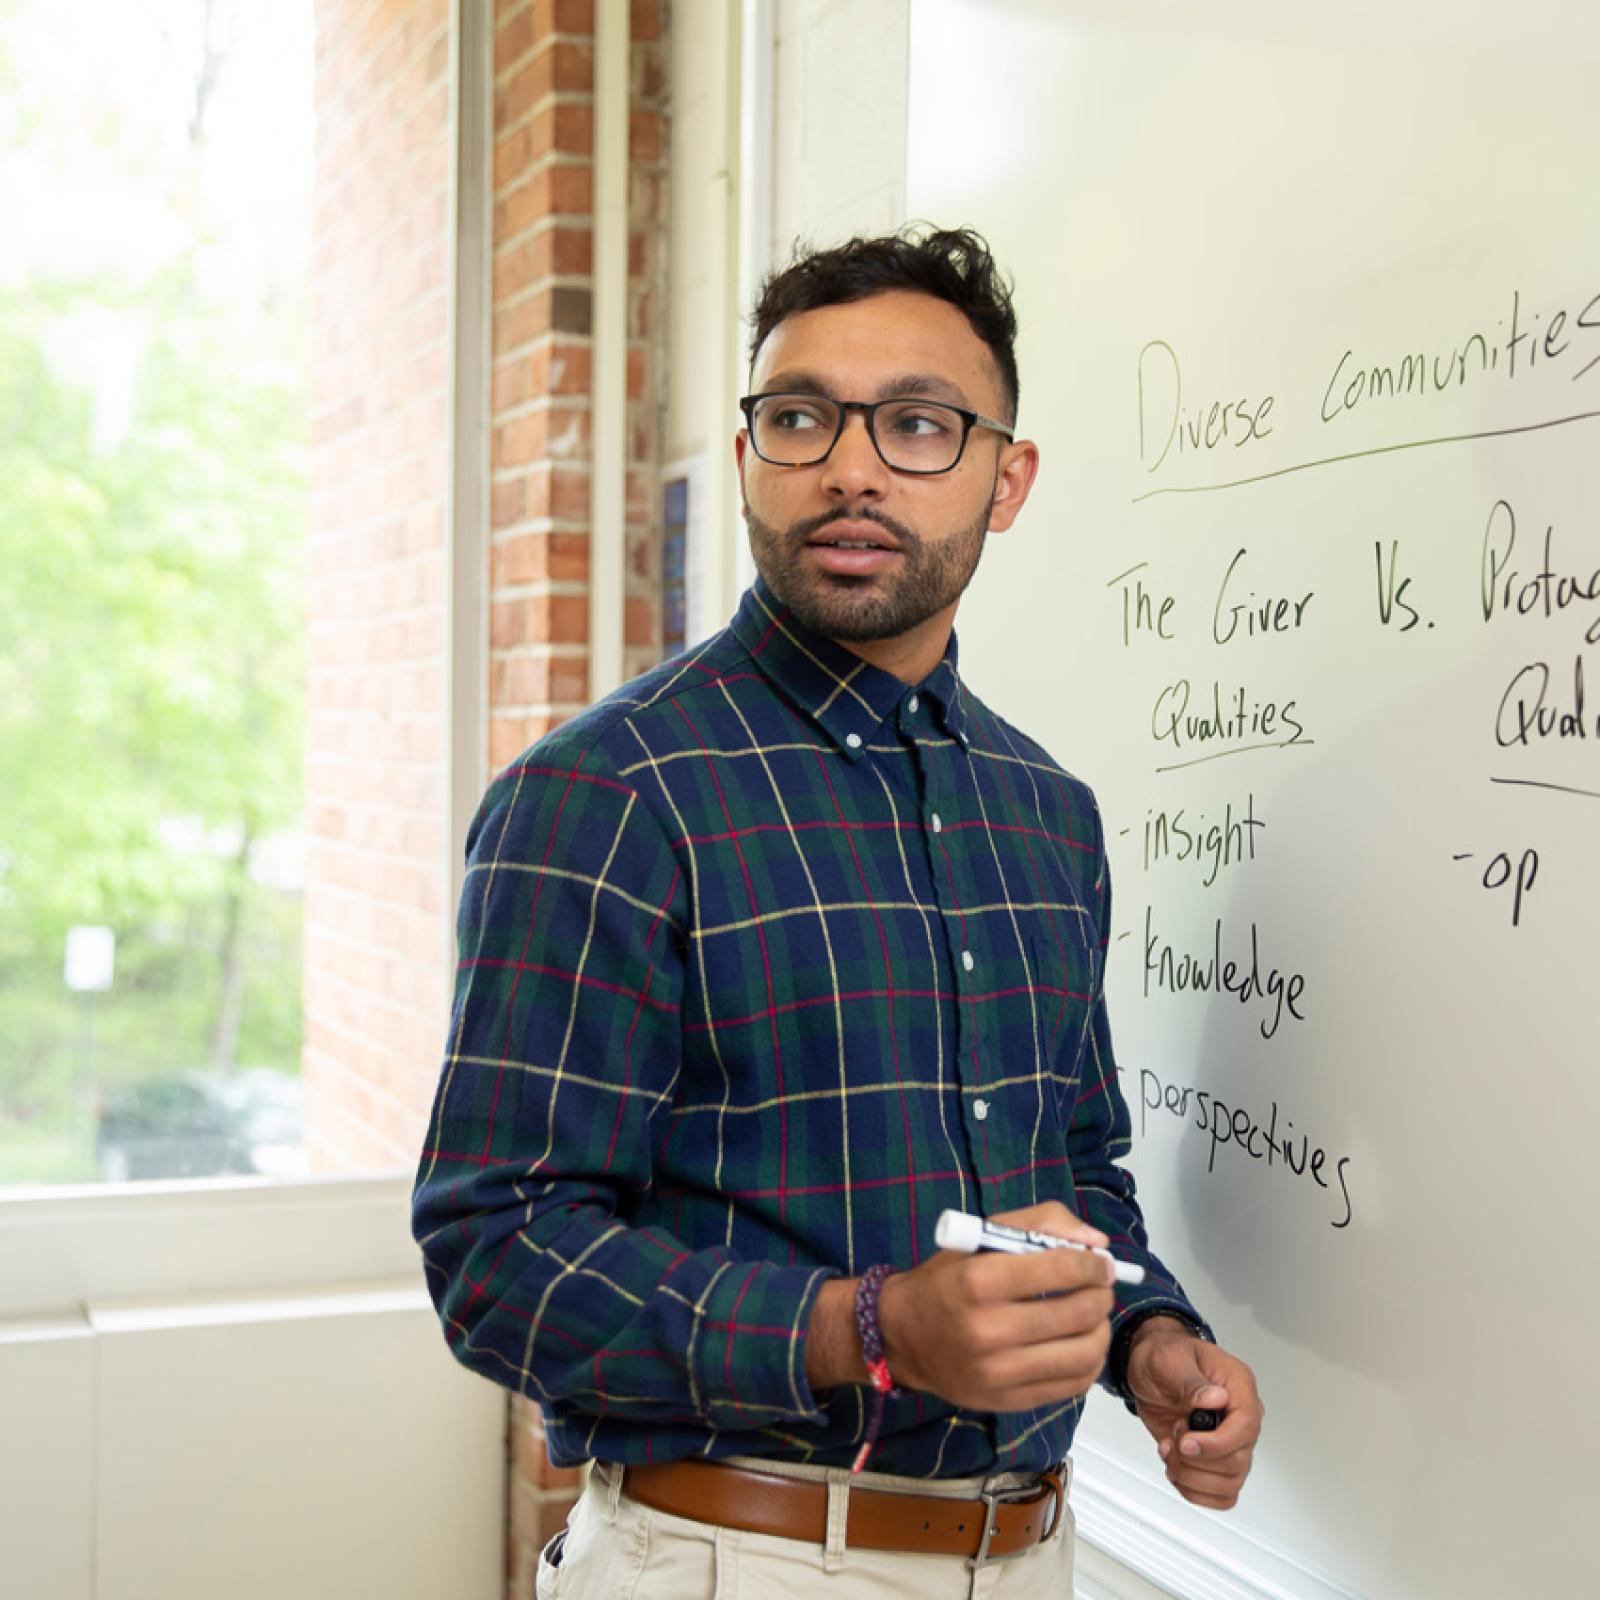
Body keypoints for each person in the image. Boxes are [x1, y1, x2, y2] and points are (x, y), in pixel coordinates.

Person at [413, 225, 1264, 1598]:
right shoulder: (609, 795)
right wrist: (866, 1331)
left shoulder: (1047, 814)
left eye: (920, 424)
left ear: (1008, 478)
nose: (853, 467)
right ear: (752, 455)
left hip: (1033, 1555)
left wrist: (1148, 1341)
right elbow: (495, 1258)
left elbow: (1079, 1177)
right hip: (729, 1557)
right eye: (801, 418)